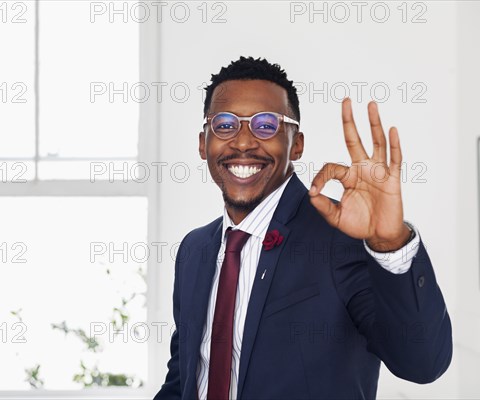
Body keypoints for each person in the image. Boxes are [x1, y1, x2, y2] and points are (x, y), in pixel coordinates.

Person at [154, 56, 452, 400]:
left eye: (266, 125)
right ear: (203, 143)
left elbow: (423, 362)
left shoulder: (341, 240)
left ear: (296, 144)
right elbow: (185, 376)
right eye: (225, 125)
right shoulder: (194, 249)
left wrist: (390, 242)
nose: (243, 142)